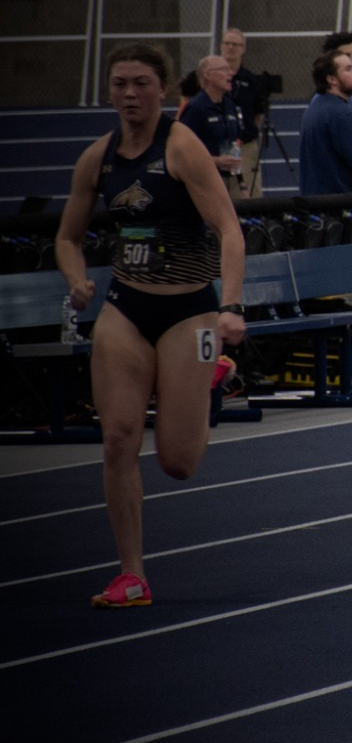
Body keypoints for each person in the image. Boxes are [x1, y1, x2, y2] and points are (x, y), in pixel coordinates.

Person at [55, 43, 246, 608]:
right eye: (119, 84)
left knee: (178, 462)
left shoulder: (183, 147)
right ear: (108, 90)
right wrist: (76, 279)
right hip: (125, 310)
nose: (130, 94)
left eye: (141, 83)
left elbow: (230, 231)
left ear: (161, 89)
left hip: (191, 312)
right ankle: (131, 574)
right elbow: (67, 235)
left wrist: (231, 306)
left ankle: (214, 370)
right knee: (117, 439)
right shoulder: (98, 159)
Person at [298, 50, 352, 195]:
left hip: (315, 204)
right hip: (340, 207)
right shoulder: (343, 114)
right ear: (332, 79)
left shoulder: (312, 110)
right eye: (348, 69)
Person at [179, 55, 245, 192]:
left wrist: (242, 185)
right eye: (225, 69)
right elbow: (182, 153)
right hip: (206, 182)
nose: (231, 73)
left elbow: (233, 148)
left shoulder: (230, 106)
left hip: (232, 181)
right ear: (208, 75)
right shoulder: (195, 109)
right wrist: (216, 161)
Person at [221, 28, 268, 197]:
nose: (230, 48)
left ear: (243, 48)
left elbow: (258, 114)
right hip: (219, 145)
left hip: (245, 145)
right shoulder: (211, 77)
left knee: (249, 192)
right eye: (227, 43)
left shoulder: (251, 80)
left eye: (235, 44)